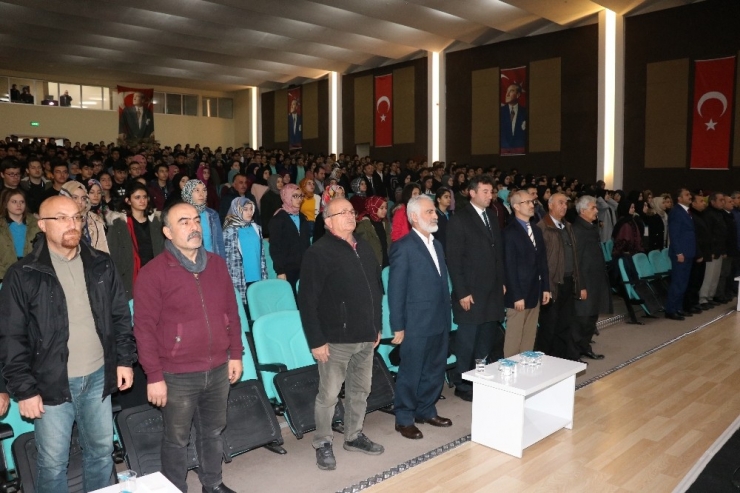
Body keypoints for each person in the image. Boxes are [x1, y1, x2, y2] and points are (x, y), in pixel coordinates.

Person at [0, 195, 136, 492]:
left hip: (99, 377)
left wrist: (124, 360)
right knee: (52, 462)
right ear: (43, 224)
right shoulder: (23, 275)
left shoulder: (101, 264)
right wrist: (24, 390)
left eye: (76, 216)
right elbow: (11, 337)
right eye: (61, 218)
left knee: (101, 453)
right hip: (50, 384)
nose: (72, 224)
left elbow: (119, 316)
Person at [133, 201, 243, 493]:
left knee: (213, 431)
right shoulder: (153, 273)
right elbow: (143, 329)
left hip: (218, 368)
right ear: (167, 232)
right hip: (177, 374)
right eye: (184, 222)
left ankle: (212, 483)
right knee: (176, 439)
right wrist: (154, 376)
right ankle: (175, 488)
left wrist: (236, 354)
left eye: (196, 220)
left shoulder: (217, 265)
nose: (194, 227)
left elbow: (232, 313)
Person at [298, 197, 384, 471]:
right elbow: (307, 301)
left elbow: (376, 291)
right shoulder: (319, 252)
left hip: (365, 335)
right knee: (329, 394)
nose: (349, 216)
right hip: (335, 339)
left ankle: (354, 435)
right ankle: (323, 442)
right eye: (342, 212)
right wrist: (316, 340)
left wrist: (377, 326)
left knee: (361, 390)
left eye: (351, 211)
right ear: (328, 221)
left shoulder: (365, 247)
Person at [388, 195, 453, 440]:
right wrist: (398, 326)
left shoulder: (437, 245)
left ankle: (426, 409)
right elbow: (396, 291)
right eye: (429, 212)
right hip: (415, 322)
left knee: (435, 369)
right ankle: (404, 418)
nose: (435, 216)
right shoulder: (403, 247)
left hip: (439, 319)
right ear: (414, 217)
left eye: (434, 211)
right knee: (411, 371)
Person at [446, 175, 506, 401]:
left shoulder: (492, 215)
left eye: (492, 192)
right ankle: (462, 383)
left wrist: (502, 282)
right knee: (467, 341)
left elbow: (497, 254)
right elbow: (454, 259)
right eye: (485, 191)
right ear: (472, 193)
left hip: (491, 291)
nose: (490, 196)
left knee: (485, 340)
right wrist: (462, 291)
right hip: (470, 292)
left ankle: (479, 376)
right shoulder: (459, 219)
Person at [502, 191, 550, 357]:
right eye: (527, 202)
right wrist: (516, 295)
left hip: (535, 290)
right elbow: (509, 266)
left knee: (529, 338)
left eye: (532, 202)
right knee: (514, 339)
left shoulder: (536, 230)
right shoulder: (509, 232)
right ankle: (509, 374)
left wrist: (546, 287)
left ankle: (525, 374)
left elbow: (542, 261)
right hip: (519, 294)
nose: (532, 205)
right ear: (516, 206)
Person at [536, 193, 583, 360]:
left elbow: (574, 257)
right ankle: (543, 361)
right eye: (560, 203)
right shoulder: (542, 227)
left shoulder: (568, 227)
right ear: (550, 206)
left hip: (569, 281)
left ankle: (560, 361)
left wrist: (579, 283)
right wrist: (545, 286)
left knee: (565, 325)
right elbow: (540, 261)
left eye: (566, 203)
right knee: (549, 327)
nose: (564, 206)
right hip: (552, 284)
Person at [106, 183, 164, 299]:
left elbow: (162, 249)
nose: (142, 200)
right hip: (130, 274)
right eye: (137, 197)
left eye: (144, 197)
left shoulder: (156, 222)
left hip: (154, 273)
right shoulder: (119, 224)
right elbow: (113, 253)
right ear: (128, 201)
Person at [571, 196, 612, 360]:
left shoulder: (591, 228)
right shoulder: (577, 230)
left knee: (591, 317)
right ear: (583, 211)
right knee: (581, 319)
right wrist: (580, 285)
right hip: (585, 281)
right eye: (593, 208)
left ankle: (585, 346)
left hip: (596, 280)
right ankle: (573, 354)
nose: (596, 211)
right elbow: (576, 261)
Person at [268, 184, 311, 295]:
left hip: (304, 267)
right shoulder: (278, 219)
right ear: (286, 197)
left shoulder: (302, 217)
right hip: (287, 269)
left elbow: (306, 244)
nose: (300, 199)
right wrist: (280, 271)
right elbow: (275, 248)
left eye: (301, 196)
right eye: (295, 196)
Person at [223, 197, 267, 307]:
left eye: (251, 209)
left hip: (257, 275)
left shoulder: (256, 228)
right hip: (240, 278)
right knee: (244, 309)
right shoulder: (229, 231)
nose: (249, 212)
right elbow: (227, 258)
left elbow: (261, 254)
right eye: (245, 209)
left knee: (258, 307)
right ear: (237, 209)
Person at [0, 189, 40, 281]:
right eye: (14, 202)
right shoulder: (1, 225)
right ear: (5, 204)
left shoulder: (36, 223)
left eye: (22, 202)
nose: (19, 205)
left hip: (31, 271)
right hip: (4, 273)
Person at [60, 180, 109, 253]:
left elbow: (103, 249)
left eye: (83, 198)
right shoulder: (56, 220)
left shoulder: (95, 220)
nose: (80, 202)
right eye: (75, 197)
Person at [182, 179, 226, 258]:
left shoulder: (212, 214)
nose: (201, 194)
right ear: (188, 192)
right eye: (197, 190)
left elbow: (219, 242)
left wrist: (222, 262)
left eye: (204, 190)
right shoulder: (181, 215)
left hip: (211, 259)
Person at [698, 193, 727, 307]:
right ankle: (703, 298)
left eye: (723, 200)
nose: (723, 202)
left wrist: (723, 249)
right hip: (712, 250)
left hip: (719, 249)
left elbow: (722, 234)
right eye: (720, 200)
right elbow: (708, 234)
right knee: (709, 275)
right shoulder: (708, 214)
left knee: (715, 275)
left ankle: (710, 296)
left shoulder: (720, 214)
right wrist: (711, 249)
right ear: (713, 201)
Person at [685, 193, 709, 313]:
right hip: (696, 254)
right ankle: (689, 304)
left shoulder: (702, 215)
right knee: (693, 280)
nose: (704, 203)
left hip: (703, 253)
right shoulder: (692, 216)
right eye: (701, 201)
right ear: (693, 203)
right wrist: (698, 253)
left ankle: (694, 302)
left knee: (699, 279)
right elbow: (694, 237)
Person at [354, 196, 391, 268]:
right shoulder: (364, 224)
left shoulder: (385, 222)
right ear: (374, 207)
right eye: (381, 208)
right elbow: (363, 246)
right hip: (374, 263)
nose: (385, 210)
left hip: (387, 260)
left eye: (386, 208)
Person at [500, 82, 527, 154]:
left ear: (518, 95)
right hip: (503, 151)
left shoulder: (525, 112)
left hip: (520, 151)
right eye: (507, 91)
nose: (507, 94)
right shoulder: (500, 112)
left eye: (511, 91)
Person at [260, 174, 284, 238]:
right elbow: (264, 217)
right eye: (278, 182)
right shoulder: (267, 197)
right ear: (272, 182)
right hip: (272, 229)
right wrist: (266, 233)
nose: (281, 184)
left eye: (282, 182)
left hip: (282, 227)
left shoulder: (282, 195)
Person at [434, 186, 453, 253]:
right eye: (446, 197)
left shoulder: (451, 214)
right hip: (439, 247)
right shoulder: (434, 215)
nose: (449, 199)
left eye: (449, 197)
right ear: (439, 199)